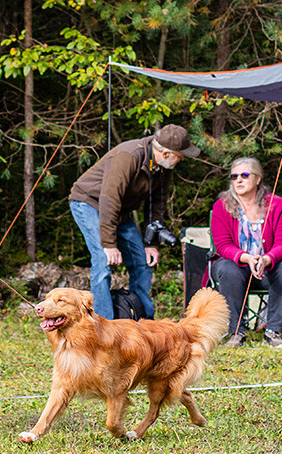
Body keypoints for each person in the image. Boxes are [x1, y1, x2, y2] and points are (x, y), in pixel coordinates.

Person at [69, 124, 199, 320]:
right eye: (180, 156)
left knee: (142, 262)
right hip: (89, 203)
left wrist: (151, 242)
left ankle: (144, 322)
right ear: (165, 153)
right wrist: (109, 244)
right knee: (103, 261)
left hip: (118, 211)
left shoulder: (163, 167)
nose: (181, 160)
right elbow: (109, 198)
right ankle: (104, 326)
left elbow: (157, 205)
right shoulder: (128, 156)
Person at [209, 157, 282, 348]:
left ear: (257, 179)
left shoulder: (275, 204)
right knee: (227, 267)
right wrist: (247, 258)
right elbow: (222, 245)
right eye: (234, 177)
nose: (238, 181)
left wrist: (267, 259)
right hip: (238, 269)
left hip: (269, 270)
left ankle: (274, 331)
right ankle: (236, 333)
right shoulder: (221, 206)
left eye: (244, 175)